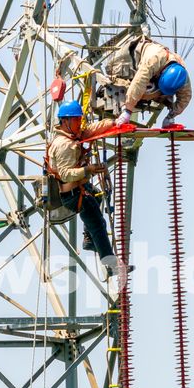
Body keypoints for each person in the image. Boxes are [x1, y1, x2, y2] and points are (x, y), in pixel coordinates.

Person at [47, 101, 117, 274]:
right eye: (76, 119)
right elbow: (65, 175)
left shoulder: (73, 134)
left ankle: (89, 239)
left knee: (98, 197)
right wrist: (88, 170)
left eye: (80, 119)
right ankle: (112, 266)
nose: (80, 122)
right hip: (73, 194)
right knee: (97, 224)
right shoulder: (64, 145)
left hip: (80, 189)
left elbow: (92, 129)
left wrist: (114, 122)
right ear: (65, 121)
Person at [114, 37, 192, 128]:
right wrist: (127, 111)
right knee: (139, 88)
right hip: (130, 57)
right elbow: (138, 84)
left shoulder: (182, 78)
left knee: (159, 94)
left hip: (156, 73)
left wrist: (171, 116)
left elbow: (185, 97)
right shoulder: (153, 60)